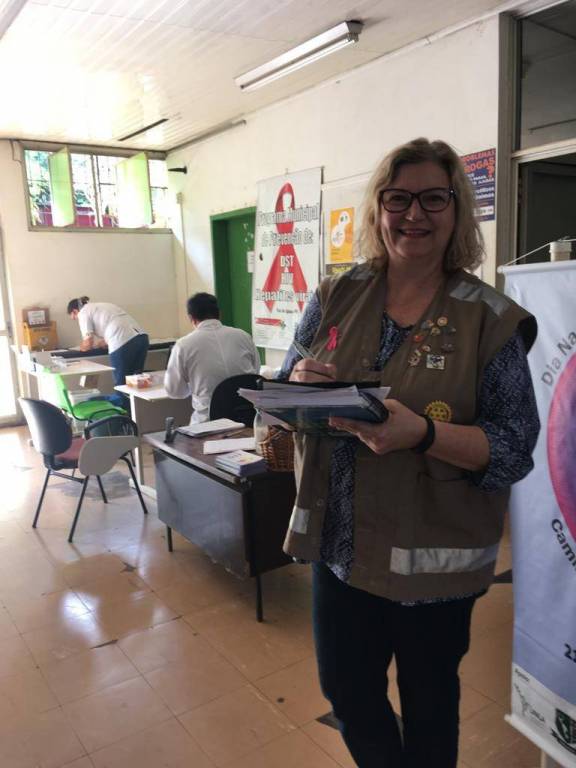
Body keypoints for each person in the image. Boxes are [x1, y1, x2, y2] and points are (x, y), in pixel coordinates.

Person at [279, 138, 540, 768]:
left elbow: (514, 448)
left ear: (457, 211)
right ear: (378, 208)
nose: (414, 214)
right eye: (398, 198)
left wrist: (422, 434)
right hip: (341, 551)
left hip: (433, 565)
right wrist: (297, 387)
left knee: (429, 707)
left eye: (433, 199)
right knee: (348, 694)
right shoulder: (334, 297)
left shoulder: (491, 320)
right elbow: (282, 390)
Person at [164, 292, 260, 423]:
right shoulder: (243, 336)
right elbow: (255, 374)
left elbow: (174, 391)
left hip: (209, 422)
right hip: (248, 418)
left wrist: (196, 386)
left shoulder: (183, 345)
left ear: (191, 318)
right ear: (219, 314)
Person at [67, 296, 149, 407]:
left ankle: (124, 414)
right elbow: (117, 326)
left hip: (122, 342)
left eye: (74, 318)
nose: (77, 319)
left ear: (75, 311)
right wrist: (103, 343)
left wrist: (80, 348)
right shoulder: (104, 306)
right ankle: (138, 412)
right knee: (135, 381)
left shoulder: (83, 312)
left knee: (121, 385)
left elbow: (88, 343)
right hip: (142, 338)